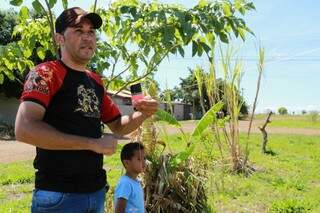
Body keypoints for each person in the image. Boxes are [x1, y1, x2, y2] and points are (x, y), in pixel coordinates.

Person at [14, 7, 158, 213]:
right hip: (59, 196)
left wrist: (142, 113)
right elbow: (24, 129)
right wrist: (93, 144)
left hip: (96, 192)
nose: (87, 37)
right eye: (79, 30)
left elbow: (118, 125)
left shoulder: (95, 81)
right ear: (59, 39)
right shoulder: (46, 73)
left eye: (91, 32)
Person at [114, 142, 146, 213]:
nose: (144, 162)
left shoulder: (136, 182)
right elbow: (119, 210)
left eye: (144, 158)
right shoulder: (125, 183)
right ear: (127, 163)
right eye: (139, 159)